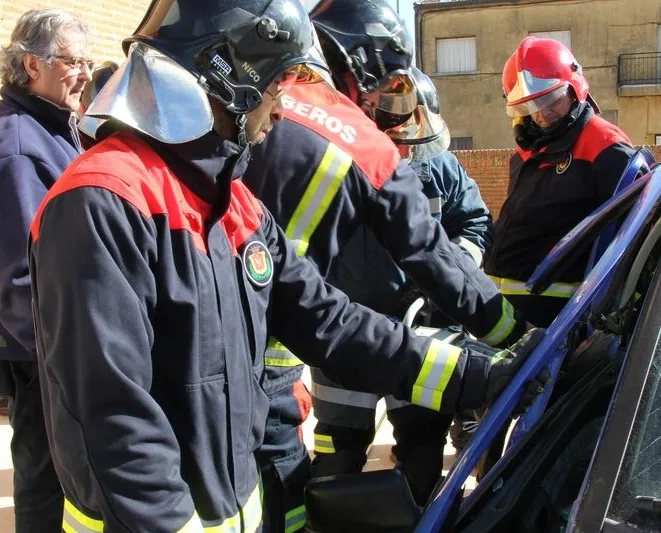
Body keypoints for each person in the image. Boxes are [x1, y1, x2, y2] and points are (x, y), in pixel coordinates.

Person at [29, 1, 542, 531]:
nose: (281, 111)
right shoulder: (101, 203)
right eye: (277, 87)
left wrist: (482, 376)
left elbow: (331, 322)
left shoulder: (234, 205)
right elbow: (115, 419)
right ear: (228, 78)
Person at [239, 0, 526, 522]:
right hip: (268, 363)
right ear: (361, 66)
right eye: (389, 86)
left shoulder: (260, 98)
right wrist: (515, 336)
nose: (386, 108)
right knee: (281, 500)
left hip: (211, 341)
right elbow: (432, 254)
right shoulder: (365, 145)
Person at [0, 8, 91, 532]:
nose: (84, 73)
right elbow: (23, 280)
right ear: (32, 65)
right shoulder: (16, 147)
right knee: (46, 473)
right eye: (72, 62)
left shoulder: (49, 126)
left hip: (42, 337)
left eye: (87, 62)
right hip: (32, 345)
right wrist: (68, 363)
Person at [484, 36, 637, 328]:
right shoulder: (529, 150)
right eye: (530, 106)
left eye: (550, 100)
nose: (541, 114)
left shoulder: (605, 148)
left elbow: (634, 237)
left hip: (559, 324)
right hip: (509, 315)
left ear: (574, 88)